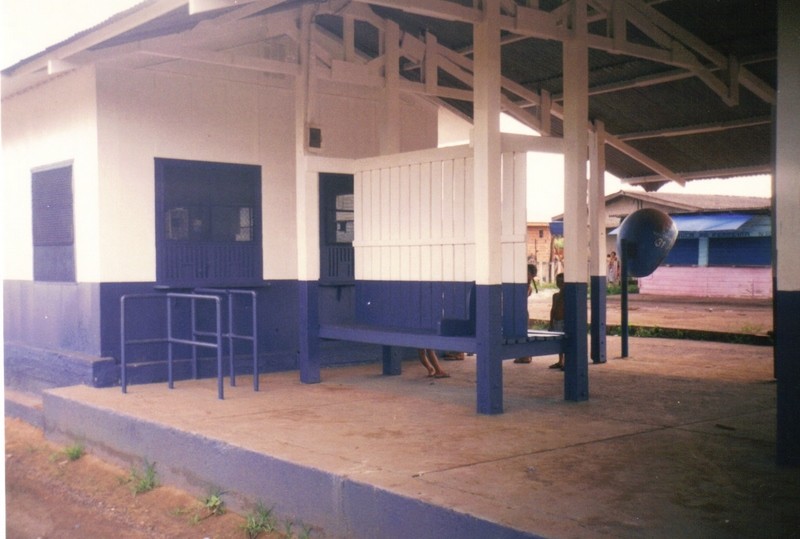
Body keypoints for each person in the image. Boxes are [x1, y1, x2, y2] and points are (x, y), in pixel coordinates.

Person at [514, 264, 539, 364]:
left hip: (522, 313)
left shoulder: (526, 287)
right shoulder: (525, 286)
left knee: (523, 334)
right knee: (519, 334)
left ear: (531, 275)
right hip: (519, 312)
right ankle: (522, 355)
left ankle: (526, 355)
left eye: (526, 273)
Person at [549, 272, 565, 369]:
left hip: (564, 321)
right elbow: (553, 309)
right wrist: (551, 322)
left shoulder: (568, 295)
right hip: (557, 321)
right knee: (559, 343)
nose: (559, 284)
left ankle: (565, 362)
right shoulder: (555, 296)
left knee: (565, 342)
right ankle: (560, 361)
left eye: (562, 282)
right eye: (558, 281)